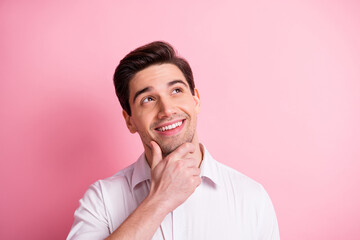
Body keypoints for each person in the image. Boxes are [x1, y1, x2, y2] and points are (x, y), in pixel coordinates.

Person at [67, 41, 280, 240]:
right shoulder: (101, 199)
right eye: (148, 99)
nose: (167, 110)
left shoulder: (251, 197)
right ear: (130, 120)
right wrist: (159, 201)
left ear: (196, 100)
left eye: (176, 91)